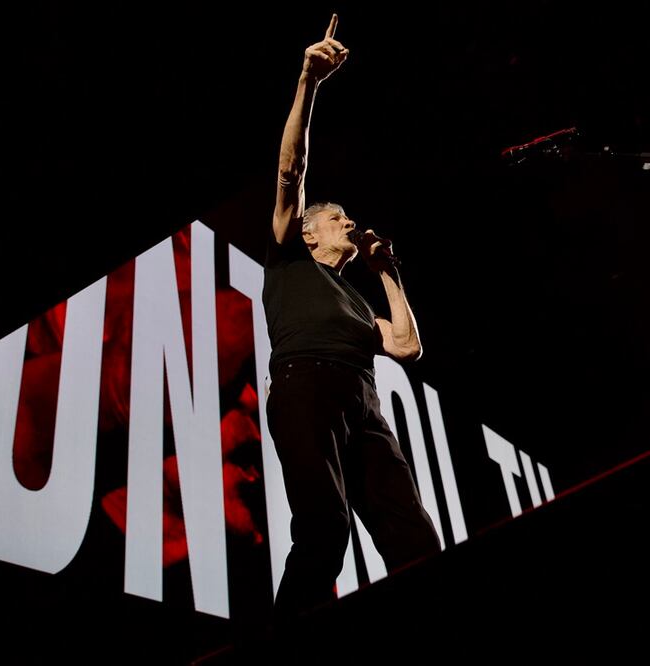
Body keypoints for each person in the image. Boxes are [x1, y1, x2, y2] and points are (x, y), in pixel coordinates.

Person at [262, 14, 441, 624]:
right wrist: (309, 82)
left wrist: (387, 272)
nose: (349, 225)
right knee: (325, 529)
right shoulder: (289, 256)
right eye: (338, 220)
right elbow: (292, 170)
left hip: (361, 399)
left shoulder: (357, 299)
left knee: (415, 537)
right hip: (305, 384)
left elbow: (407, 346)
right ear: (312, 234)